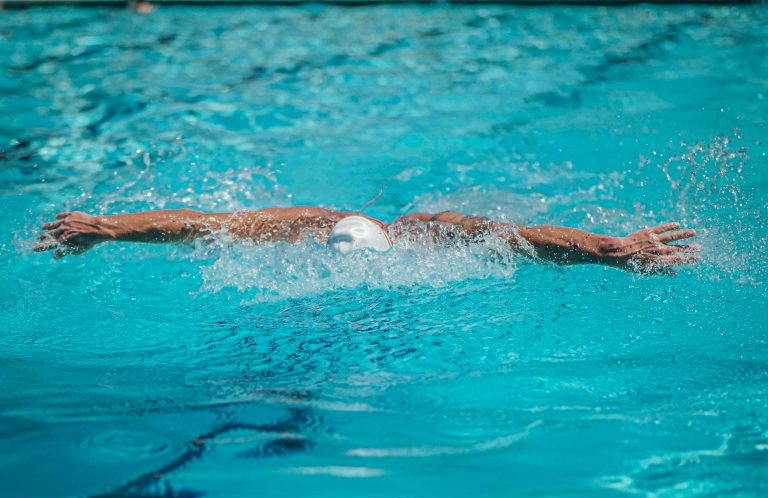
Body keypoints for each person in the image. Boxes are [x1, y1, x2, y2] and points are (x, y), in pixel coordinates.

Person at [33, 205, 699, 272]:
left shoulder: (433, 234)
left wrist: (608, 248)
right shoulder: (311, 223)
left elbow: (524, 239)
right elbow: (205, 224)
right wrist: (111, 230)